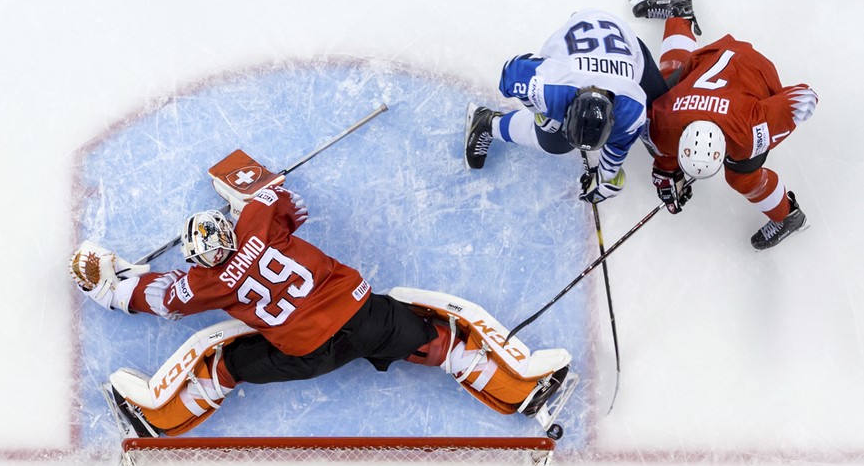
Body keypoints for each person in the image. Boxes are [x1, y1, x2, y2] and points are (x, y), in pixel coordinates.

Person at [69, 150, 572, 437]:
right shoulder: (257, 225)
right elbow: (288, 200)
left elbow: (161, 298)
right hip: (362, 314)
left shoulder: (205, 283)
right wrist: (246, 188)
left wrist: (111, 287)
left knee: (230, 364)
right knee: (437, 339)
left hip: (309, 353)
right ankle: (523, 390)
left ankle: (157, 418)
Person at [630, 0, 819, 250]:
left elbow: (803, 99)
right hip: (716, 59)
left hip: (752, 68)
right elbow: (803, 97)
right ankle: (679, 11)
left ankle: (789, 216)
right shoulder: (664, 124)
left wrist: (666, 174)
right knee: (661, 91)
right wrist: (665, 172)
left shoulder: (747, 134)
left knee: (740, 176)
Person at [464, 7, 671, 205]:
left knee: (664, 123)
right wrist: (538, 109)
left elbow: (617, 147)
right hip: (582, 38)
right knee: (554, 143)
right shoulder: (551, 89)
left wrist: (606, 179)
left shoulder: (631, 109)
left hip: (625, 43)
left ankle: (678, 17)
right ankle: (487, 122)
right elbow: (510, 73)